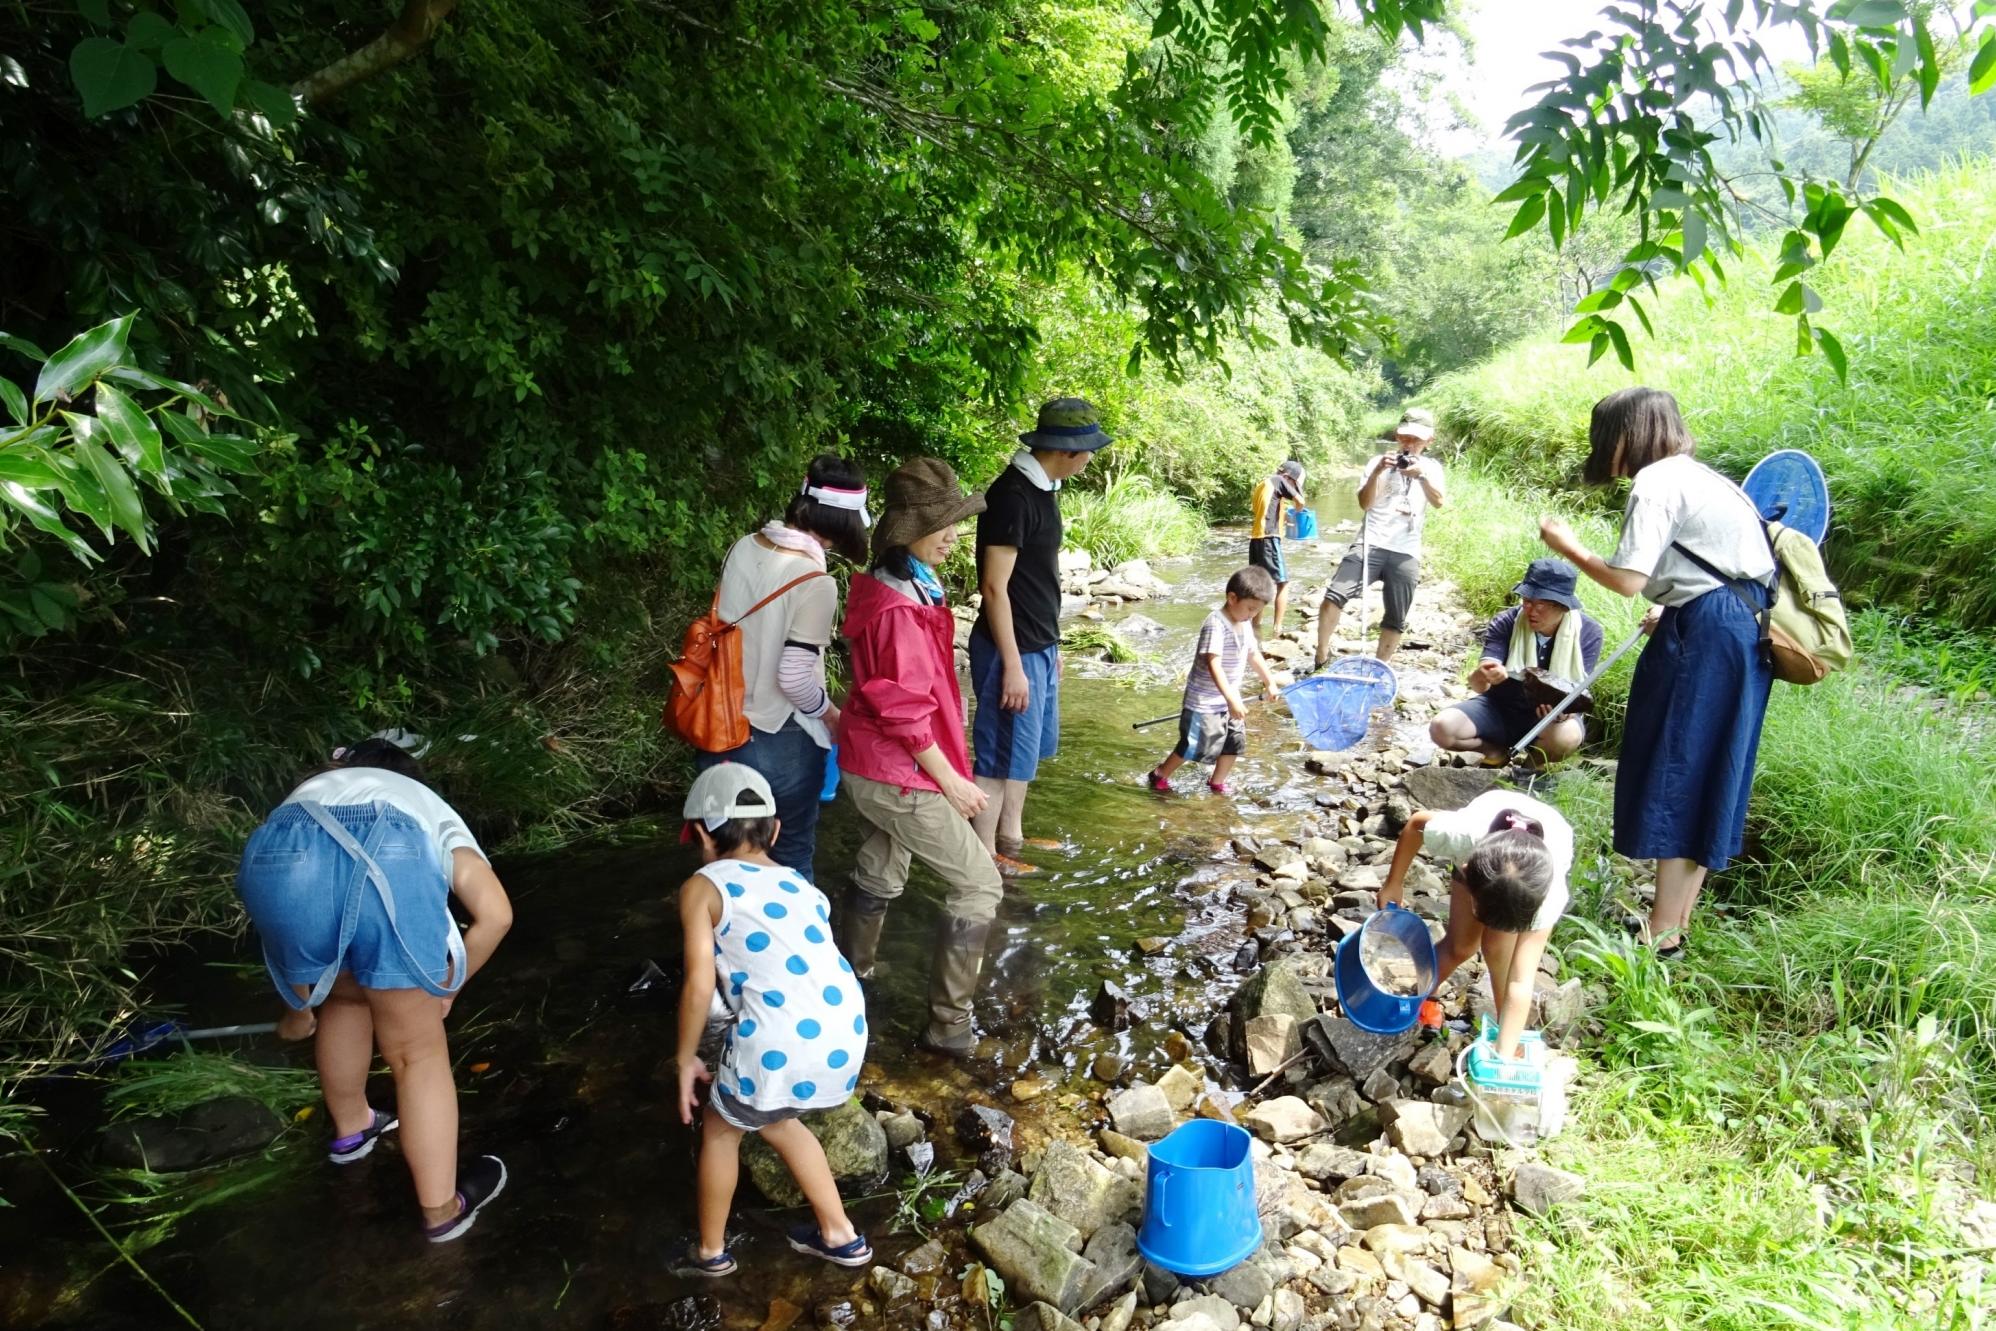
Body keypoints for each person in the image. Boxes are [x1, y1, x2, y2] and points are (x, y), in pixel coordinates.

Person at [235, 736, 513, 1243]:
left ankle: (352, 1130)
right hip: (390, 848)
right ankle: (441, 1210)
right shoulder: (423, 804)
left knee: (344, 996)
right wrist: (447, 989)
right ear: (410, 775)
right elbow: (496, 915)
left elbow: (291, 920)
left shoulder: (306, 793)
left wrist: (298, 1007)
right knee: (415, 1053)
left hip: (275, 854)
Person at [1538, 385, 1776, 958]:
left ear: (1626, 435)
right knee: (1711, 765)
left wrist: (1567, 547)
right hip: (1739, 623)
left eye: (1605, 438)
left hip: (1709, 629)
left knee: (1681, 764)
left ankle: (1662, 933)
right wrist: (1675, 604)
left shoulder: (1657, 483)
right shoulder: (1704, 477)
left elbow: (1626, 578)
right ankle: (1673, 923)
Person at [672, 762, 873, 1276]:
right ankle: (841, 1236)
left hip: (780, 1040)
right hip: (844, 1033)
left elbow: (698, 984)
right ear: (776, 831)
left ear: (699, 833)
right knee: (777, 1119)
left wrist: (684, 1058)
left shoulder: (704, 884)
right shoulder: (802, 886)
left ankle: (711, 1253)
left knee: (720, 1129)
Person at [835, 459, 1005, 1057]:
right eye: (943, 524)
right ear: (907, 531)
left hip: (871, 762)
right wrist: (952, 785)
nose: (955, 534)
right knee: (979, 884)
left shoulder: (898, 585)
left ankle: (848, 981)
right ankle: (948, 1027)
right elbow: (903, 709)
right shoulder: (900, 607)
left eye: (956, 521)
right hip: (896, 770)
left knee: (883, 868)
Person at [701, 454, 872, 884]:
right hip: (780, 740)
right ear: (848, 523)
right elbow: (794, 675)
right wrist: (829, 714)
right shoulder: (816, 583)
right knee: (791, 857)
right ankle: (795, 947)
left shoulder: (742, 547)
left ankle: (719, 947)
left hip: (718, 726)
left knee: (724, 863)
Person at [970, 397, 1111, 874]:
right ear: (1068, 451)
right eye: (1089, 450)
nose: (1091, 459)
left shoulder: (1043, 487)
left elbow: (1038, 579)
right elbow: (993, 586)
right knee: (996, 754)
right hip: (1010, 648)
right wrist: (1012, 664)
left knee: (1023, 753)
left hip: (1038, 645)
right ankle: (985, 855)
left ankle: (1012, 835)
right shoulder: (1012, 496)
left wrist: (1052, 649)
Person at [1375, 790, 1572, 1061]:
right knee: (1461, 946)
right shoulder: (1461, 836)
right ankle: (1415, 999)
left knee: (1497, 952)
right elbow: (1415, 824)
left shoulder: (1548, 896)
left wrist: (1504, 1054)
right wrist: (1393, 883)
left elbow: (1520, 981)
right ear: (1466, 872)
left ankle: (1508, 1035)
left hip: (1530, 868)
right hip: (1487, 845)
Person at [1430, 557, 1604, 765]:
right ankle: (1495, 752)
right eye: (1527, 601)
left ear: (1564, 607)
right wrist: (1484, 674)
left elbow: (1577, 694)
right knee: (1442, 728)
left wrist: (1562, 713)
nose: (1531, 610)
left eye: (1542, 605)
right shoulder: (1507, 621)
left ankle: (1531, 767)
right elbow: (1479, 686)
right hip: (1500, 706)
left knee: (1567, 737)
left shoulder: (1589, 632)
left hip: (1550, 717)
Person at [1314, 408, 1446, 666]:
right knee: (1334, 595)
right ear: (1397, 436)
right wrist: (1377, 473)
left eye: (1416, 440)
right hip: (1370, 541)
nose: (1409, 445)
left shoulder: (1431, 468)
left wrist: (1421, 476)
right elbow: (1365, 504)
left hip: (1406, 549)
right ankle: (1321, 654)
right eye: (1405, 438)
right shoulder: (1378, 463)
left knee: (1397, 615)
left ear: (1429, 441)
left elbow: (1439, 501)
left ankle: (1379, 667)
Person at [1145, 566, 1281, 796]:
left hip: (1230, 700)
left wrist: (1269, 681)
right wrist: (1230, 699)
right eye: (1250, 608)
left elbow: (1253, 654)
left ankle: (1217, 782)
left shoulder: (1245, 623)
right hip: (1205, 701)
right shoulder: (1215, 624)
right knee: (1195, 745)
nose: (1252, 615)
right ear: (1232, 598)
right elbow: (1213, 664)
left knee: (1234, 743)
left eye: (1256, 611)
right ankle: (1160, 774)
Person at [1247, 461, 1306, 639]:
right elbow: (1300, 502)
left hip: (1256, 539)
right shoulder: (1279, 481)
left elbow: (1265, 511)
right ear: (1289, 477)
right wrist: (1297, 511)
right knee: (1282, 583)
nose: (1293, 487)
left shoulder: (1263, 484)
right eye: (1294, 484)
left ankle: (1255, 627)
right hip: (1269, 539)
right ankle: (1277, 629)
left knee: (1260, 585)